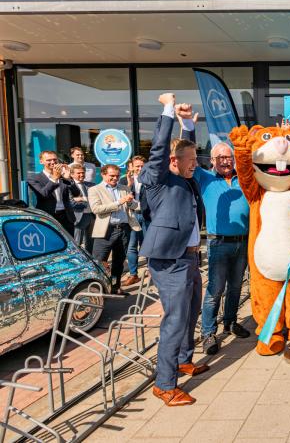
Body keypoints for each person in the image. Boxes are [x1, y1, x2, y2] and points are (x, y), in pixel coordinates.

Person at [139, 93, 207, 407]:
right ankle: (165, 385)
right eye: (190, 161)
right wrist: (168, 109)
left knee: (191, 311)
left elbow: (184, 149)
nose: (196, 164)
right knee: (175, 319)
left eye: (196, 160)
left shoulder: (185, 177)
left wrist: (189, 125)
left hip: (190, 256)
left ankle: (183, 360)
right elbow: (160, 149)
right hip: (170, 260)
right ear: (172, 162)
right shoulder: (157, 178)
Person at [182, 119, 252, 356]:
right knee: (215, 289)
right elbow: (188, 156)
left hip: (242, 242)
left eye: (228, 157)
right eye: (220, 158)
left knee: (236, 287)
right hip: (218, 242)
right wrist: (188, 127)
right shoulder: (205, 178)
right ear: (211, 161)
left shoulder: (243, 178)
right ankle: (208, 332)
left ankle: (230, 322)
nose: (225, 161)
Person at [88, 164, 141, 295]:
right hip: (106, 231)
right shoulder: (95, 189)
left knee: (118, 263)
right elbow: (96, 209)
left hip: (123, 230)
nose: (115, 178)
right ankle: (97, 290)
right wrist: (119, 202)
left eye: (117, 176)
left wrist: (129, 202)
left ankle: (115, 286)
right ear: (103, 174)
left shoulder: (124, 188)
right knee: (99, 262)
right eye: (112, 176)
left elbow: (136, 206)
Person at [28, 151, 78, 235]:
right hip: (48, 217)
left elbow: (76, 193)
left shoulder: (63, 177)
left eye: (55, 159)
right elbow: (43, 195)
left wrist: (68, 179)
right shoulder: (35, 178)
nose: (53, 162)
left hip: (66, 217)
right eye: (49, 160)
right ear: (41, 161)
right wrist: (54, 178)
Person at [121, 155, 148, 287]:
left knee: (147, 245)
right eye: (137, 166)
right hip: (131, 216)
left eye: (142, 166)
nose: (140, 168)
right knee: (131, 246)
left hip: (147, 215)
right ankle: (133, 275)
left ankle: (153, 271)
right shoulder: (123, 180)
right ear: (132, 166)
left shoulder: (150, 179)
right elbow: (121, 197)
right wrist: (129, 184)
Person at [70, 163, 95, 253]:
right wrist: (88, 200)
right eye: (78, 173)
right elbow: (71, 203)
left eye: (83, 173)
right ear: (72, 174)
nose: (81, 175)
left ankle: (91, 259)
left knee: (91, 241)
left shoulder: (91, 185)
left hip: (92, 216)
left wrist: (83, 199)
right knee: (77, 242)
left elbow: (97, 199)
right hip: (78, 217)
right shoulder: (69, 186)